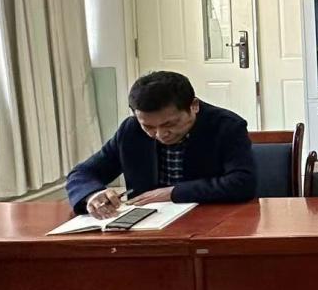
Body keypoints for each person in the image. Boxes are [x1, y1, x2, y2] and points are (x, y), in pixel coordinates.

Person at [66, 71, 257, 217]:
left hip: (210, 218)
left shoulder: (226, 126)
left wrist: (173, 193)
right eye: (149, 127)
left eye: (170, 124)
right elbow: (82, 173)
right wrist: (93, 195)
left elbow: (242, 182)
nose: (160, 134)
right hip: (147, 222)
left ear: (194, 106)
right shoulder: (131, 130)